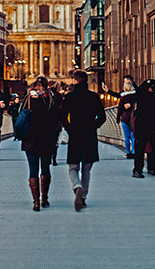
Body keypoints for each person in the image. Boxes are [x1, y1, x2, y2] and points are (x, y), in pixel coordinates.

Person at [61, 70, 107, 211]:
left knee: (73, 167)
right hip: (89, 136)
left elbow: (63, 117)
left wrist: (70, 129)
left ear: (75, 81)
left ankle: (77, 187)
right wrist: (93, 126)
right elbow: (102, 117)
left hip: (75, 135)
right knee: (86, 169)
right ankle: (83, 197)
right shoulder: (93, 97)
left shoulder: (70, 97)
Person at [21, 76, 58, 211]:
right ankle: (44, 199)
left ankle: (36, 202)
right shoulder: (50, 99)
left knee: (33, 170)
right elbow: (56, 120)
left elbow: (21, 116)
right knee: (45, 168)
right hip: (46, 139)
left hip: (30, 140)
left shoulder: (28, 99)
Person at [131, 79, 155, 178]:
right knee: (140, 148)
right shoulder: (141, 95)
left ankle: (154, 168)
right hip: (143, 125)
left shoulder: (154, 96)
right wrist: (149, 91)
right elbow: (141, 98)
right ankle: (137, 170)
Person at [102, 79, 137, 158]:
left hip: (124, 118)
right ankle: (134, 152)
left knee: (126, 137)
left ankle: (128, 153)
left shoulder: (123, 98)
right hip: (133, 118)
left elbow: (119, 109)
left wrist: (117, 119)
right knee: (133, 136)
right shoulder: (135, 97)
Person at [49, 81, 64, 166]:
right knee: (55, 140)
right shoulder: (59, 96)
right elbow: (61, 110)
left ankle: (47, 157)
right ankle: (54, 158)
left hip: (46, 122)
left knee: (47, 140)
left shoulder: (45, 95)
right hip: (56, 122)